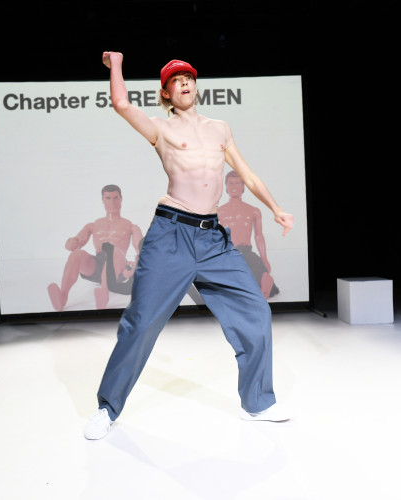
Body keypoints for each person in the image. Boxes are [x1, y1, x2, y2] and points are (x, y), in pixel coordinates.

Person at [85, 52, 295, 440]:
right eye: (175, 80)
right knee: (141, 322)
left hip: (213, 238)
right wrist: (115, 64)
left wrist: (277, 209)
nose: (184, 82)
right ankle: (107, 408)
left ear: (196, 86)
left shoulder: (220, 129)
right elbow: (121, 104)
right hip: (171, 235)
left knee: (256, 311)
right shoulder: (160, 129)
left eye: (189, 78)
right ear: (166, 93)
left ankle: (257, 403)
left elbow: (247, 175)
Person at [48, 184, 143, 311]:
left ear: (121, 199)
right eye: (108, 198)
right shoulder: (93, 225)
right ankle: (62, 296)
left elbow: (139, 245)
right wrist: (70, 243)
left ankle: (104, 293)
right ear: (103, 200)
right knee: (77, 254)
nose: (112, 202)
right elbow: (77, 242)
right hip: (96, 266)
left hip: (117, 267)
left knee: (114, 251)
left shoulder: (130, 226)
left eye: (115, 198)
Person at [219, 170, 280, 299]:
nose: (234, 187)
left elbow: (259, 236)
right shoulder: (219, 211)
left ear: (243, 187)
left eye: (238, 183)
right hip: (229, 252)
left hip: (246, 251)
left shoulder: (253, 211)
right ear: (226, 187)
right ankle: (254, 285)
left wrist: (264, 258)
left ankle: (261, 283)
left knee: (254, 265)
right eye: (231, 183)